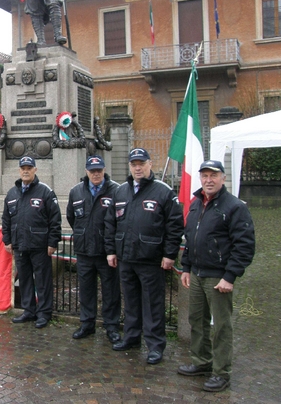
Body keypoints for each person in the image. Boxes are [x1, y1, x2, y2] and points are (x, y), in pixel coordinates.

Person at [178, 160, 255, 392]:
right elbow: (190, 238)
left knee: (221, 326)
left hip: (218, 277)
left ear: (223, 178)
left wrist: (230, 276)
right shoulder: (196, 203)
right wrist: (186, 267)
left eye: (213, 175)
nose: (208, 180)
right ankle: (202, 362)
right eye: (205, 176)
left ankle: (222, 372)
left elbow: (245, 245)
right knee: (197, 321)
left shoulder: (234, 207)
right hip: (197, 273)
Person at [105, 148, 183, 365]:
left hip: (151, 258)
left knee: (152, 304)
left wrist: (169, 254)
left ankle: (155, 345)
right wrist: (111, 250)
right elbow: (111, 223)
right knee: (130, 301)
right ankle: (131, 338)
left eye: (141, 163)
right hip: (126, 257)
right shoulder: (121, 191)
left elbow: (175, 226)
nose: (137, 168)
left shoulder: (164, 192)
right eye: (133, 164)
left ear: (150, 164)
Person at [2, 156, 61, 329]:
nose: (26, 171)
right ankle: (29, 311)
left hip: (40, 245)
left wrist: (52, 242)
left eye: (29, 167)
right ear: (19, 170)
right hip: (20, 245)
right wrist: (7, 240)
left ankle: (44, 313)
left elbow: (55, 220)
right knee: (25, 279)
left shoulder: (45, 192)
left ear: (35, 170)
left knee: (42, 280)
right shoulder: (12, 193)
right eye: (23, 168)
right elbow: (6, 219)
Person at [66, 155, 121, 343]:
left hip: (107, 252)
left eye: (99, 170)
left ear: (104, 170)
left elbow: (119, 221)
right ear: (86, 172)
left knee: (110, 290)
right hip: (84, 251)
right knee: (86, 290)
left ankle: (111, 326)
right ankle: (87, 323)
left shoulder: (116, 191)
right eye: (92, 171)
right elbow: (71, 218)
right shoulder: (76, 191)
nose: (96, 174)